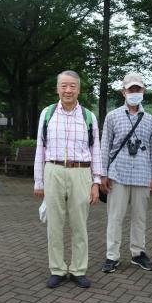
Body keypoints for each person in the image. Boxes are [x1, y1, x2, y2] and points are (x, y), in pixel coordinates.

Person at [34, 70, 102, 289]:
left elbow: (96, 150)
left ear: (78, 89)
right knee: (54, 224)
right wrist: (38, 181)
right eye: (63, 85)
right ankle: (57, 269)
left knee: (79, 225)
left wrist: (96, 182)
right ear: (57, 88)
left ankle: (78, 269)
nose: (68, 90)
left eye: (72, 86)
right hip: (53, 170)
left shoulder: (89, 117)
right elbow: (40, 149)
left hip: (81, 172)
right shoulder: (47, 114)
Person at [100, 72, 152, 273]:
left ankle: (138, 253)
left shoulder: (150, 119)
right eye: (131, 89)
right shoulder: (112, 116)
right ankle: (112, 255)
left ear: (143, 91)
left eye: (138, 89)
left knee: (140, 217)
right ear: (123, 92)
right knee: (115, 217)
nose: (134, 92)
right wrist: (102, 174)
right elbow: (104, 146)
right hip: (118, 173)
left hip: (142, 175)